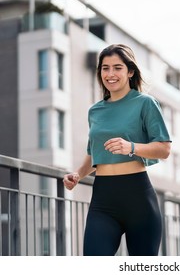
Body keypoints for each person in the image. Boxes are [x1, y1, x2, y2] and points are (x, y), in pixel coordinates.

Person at [63, 44, 171, 256]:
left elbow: (164, 148)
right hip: (103, 199)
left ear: (130, 71)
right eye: (105, 68)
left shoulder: (145, 103)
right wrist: (77, 174)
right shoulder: (95, 111)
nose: (110, 74)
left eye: (117, 68)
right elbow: (93, 154)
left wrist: (130, 147)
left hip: (138, 197)